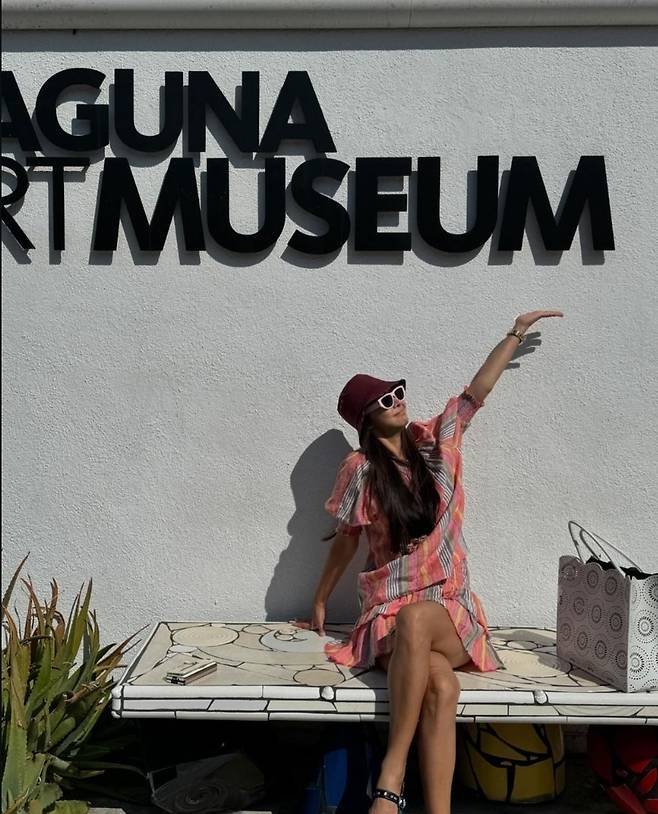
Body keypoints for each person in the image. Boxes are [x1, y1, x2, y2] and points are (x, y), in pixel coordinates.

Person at [292, 309, 564, 814]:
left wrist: (515, 332)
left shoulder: (437, 443)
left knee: (419, 620)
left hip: (448, 611)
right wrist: (320, 599)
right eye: (384, 400)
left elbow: (475, 394)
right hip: (387, 615)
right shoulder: (360, 470)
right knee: (440, 686)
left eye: (397, 392)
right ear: (366, 419)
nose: (397, 401)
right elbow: (347, 541)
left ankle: (390, 779)